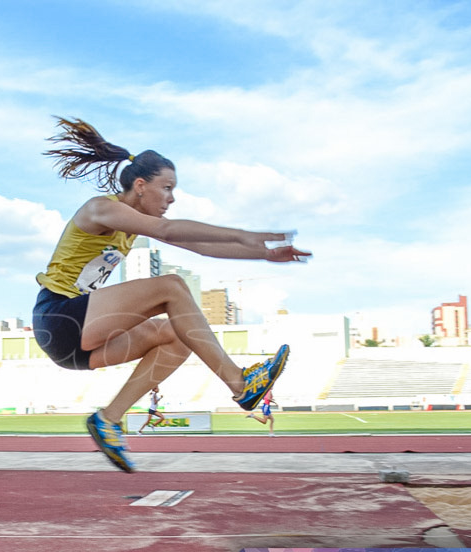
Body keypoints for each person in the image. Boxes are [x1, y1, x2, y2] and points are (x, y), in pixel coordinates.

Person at [33, 117, 311, 473]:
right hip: (59, 317)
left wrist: (264, 251)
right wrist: (246, 234)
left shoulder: (126, 226)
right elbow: (167, 230)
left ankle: (108, 420)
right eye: (166, 188)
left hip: (77, 342)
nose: (172, 198)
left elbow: (198, 246)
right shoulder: (99, 208)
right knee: (171, 287)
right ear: (140, 185)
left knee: (179, 338)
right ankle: (241, 385)